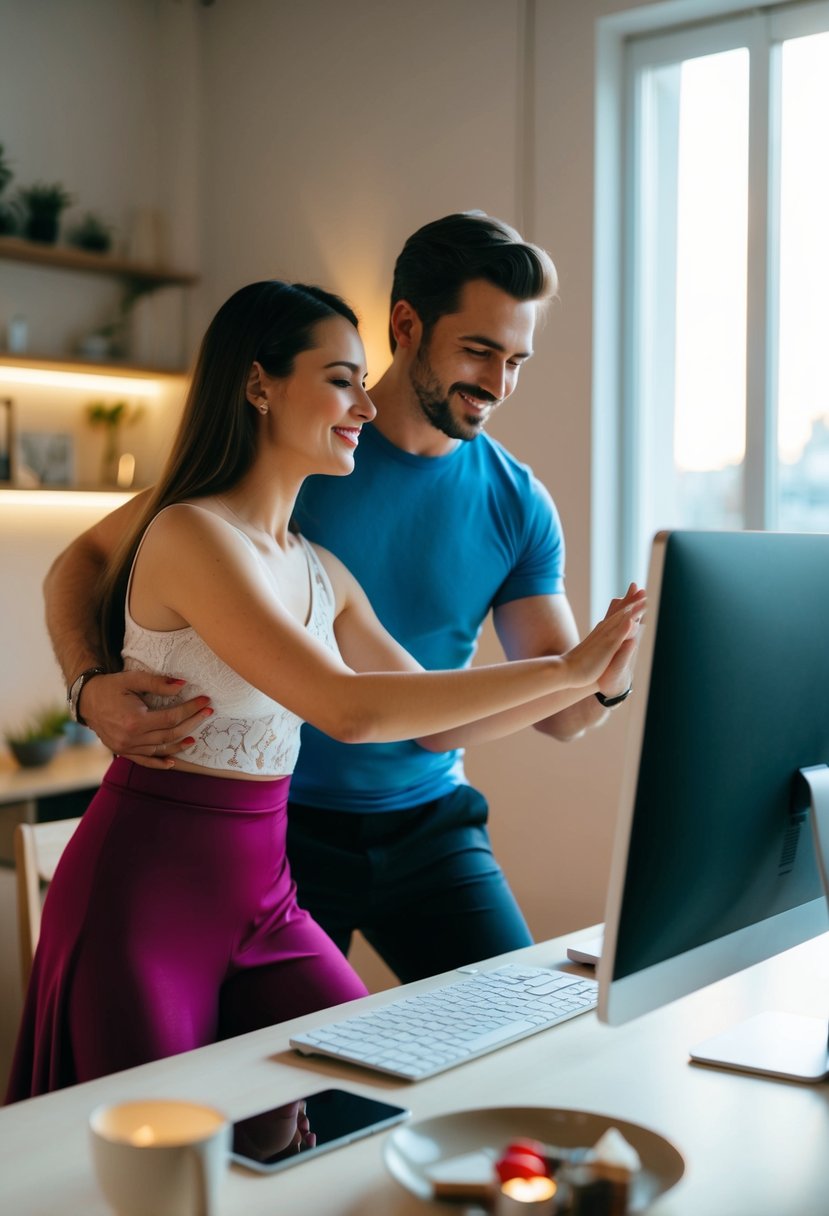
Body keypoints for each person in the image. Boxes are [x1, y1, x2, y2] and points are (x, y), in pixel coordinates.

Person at [8, 279, 643, 1102]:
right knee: (164, 1163)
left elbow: (427, 720)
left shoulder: (318, 568)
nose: (366, 407)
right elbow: (347, 709)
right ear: (258, 383)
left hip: (265, 901)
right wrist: (562, 669)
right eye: (342, 379)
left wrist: (587, 682)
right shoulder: (190, 532)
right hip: (145, 904)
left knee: (374, 1095)